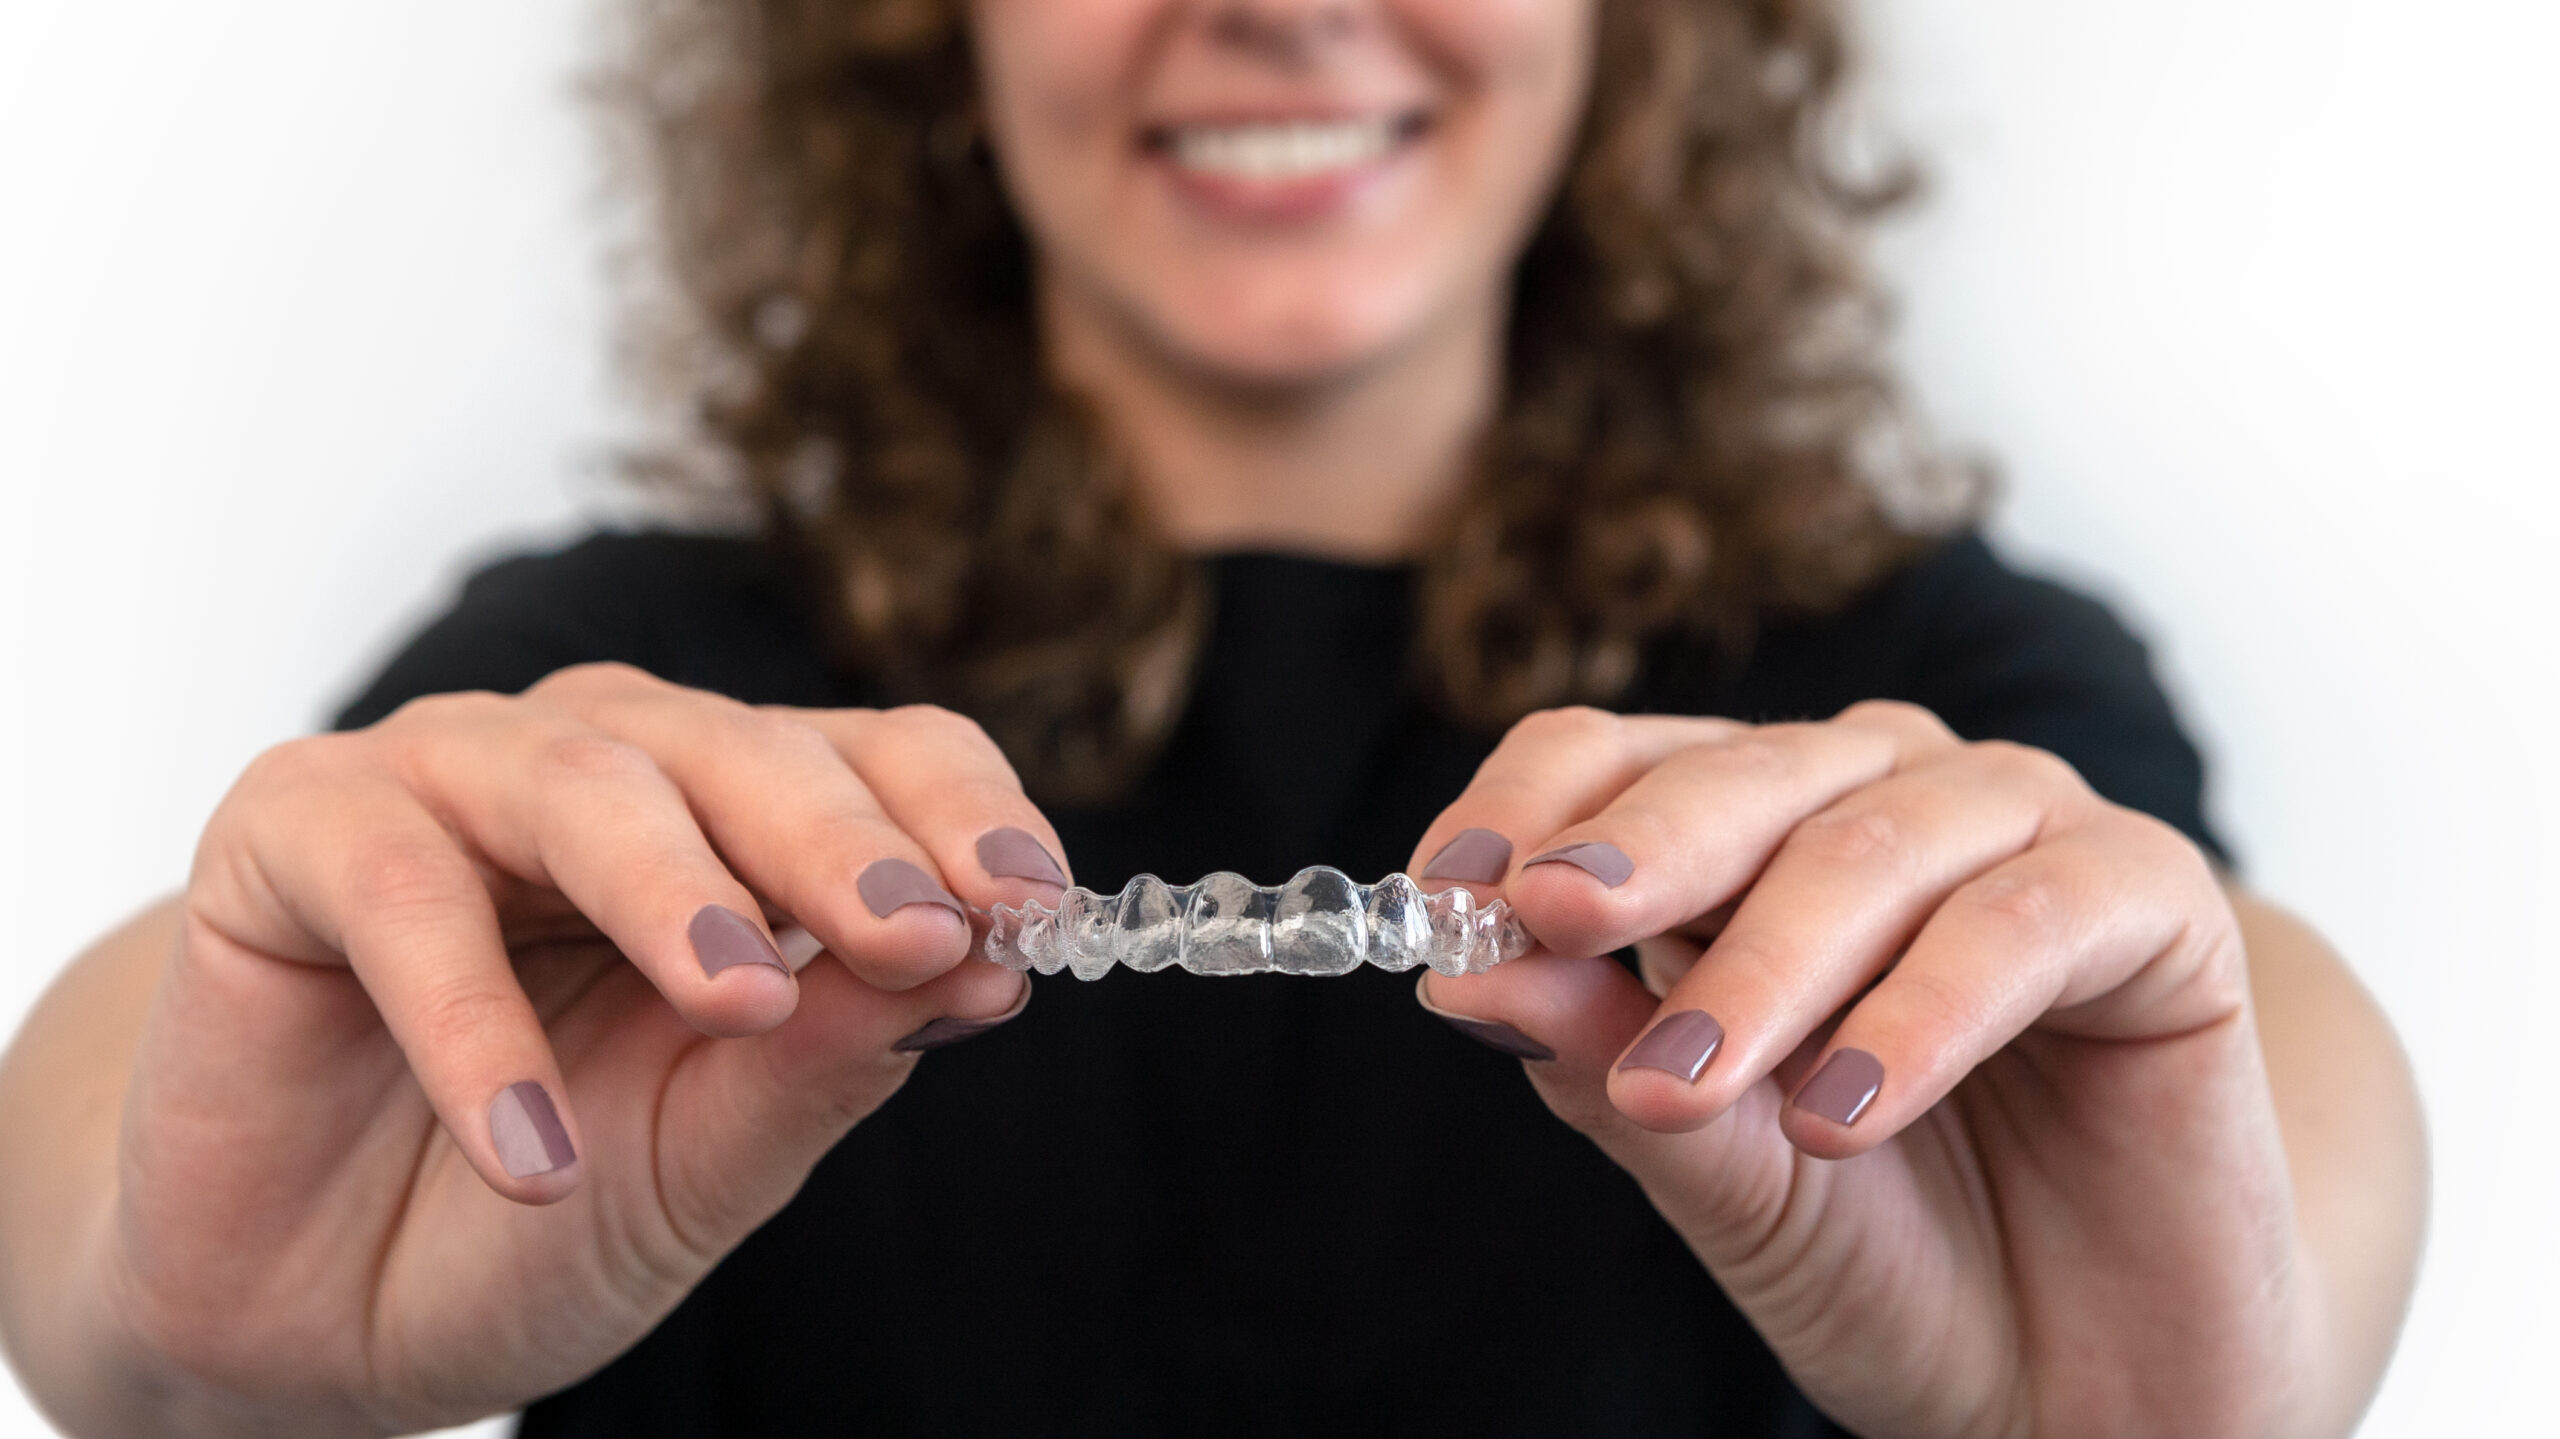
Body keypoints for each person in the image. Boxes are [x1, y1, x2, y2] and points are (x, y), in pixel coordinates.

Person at [0, 1, 2426, 1435]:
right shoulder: (606, 696)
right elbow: (125, 1151)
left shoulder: (1935, 692)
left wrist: (2215, 1353)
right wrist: (160, 1294)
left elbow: (2232, 1047)